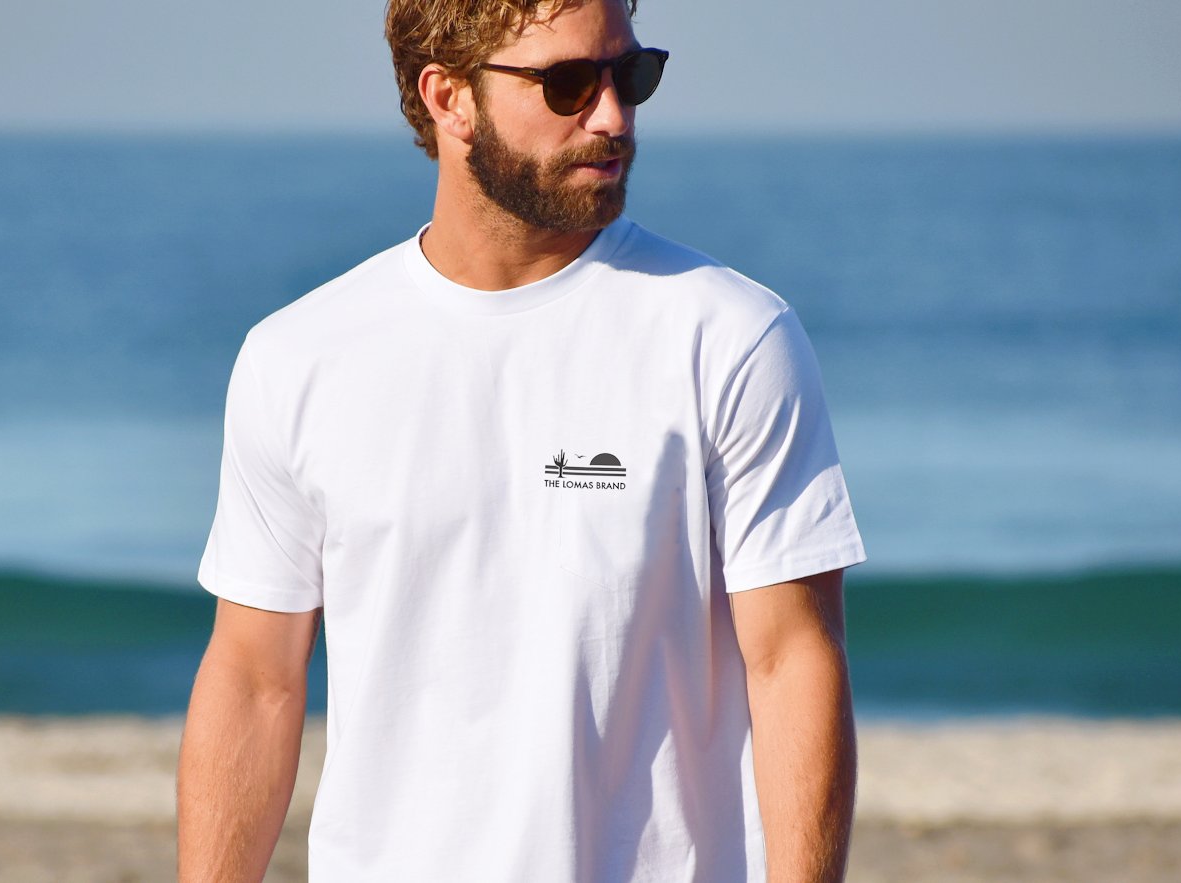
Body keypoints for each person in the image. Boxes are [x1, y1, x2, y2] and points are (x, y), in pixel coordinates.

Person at [176, 0, 867, 879]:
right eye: (569, 83)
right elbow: (254, 679)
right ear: (449, 96)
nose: (613, 115)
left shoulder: (730, 336)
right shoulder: (300, 358)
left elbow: (794, 662)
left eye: (631, 75)